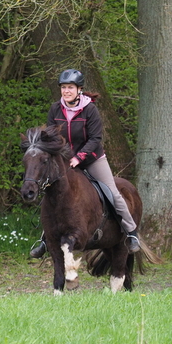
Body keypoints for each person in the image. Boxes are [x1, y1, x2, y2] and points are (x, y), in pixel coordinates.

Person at [30, 69, 141, 257]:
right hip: (65, 161)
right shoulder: (55, 109)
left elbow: (95, 138)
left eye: (70, 88)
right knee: (52, 194)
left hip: (92, 158)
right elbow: (51, 136)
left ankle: (131, 233)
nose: (66, 91)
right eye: (63, 88)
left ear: (79, 89)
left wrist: (79, 157)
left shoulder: (89, 109)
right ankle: (45, 240)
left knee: (112, 192)